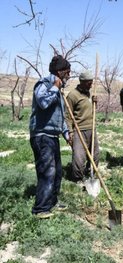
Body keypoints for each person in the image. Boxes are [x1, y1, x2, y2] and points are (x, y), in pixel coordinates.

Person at [29, 55, 71, 219]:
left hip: (53, 136)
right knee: (47, 171)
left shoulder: (58, 90)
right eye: (67, 72)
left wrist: (66, 133)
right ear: (60, 72)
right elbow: (43, 102)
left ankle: (52, 201)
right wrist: (54, 87)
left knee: (57, 171)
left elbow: (59, 116)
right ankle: (41, 209)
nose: (69, 76)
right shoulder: (44, 83)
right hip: (42, 135)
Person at [65, 71, 99, 183]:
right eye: (89, 83)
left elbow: (89, 110)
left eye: (92, 82)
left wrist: (95, 103)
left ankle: (91, 174)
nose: (91, 85)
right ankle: (78, 179)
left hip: (91, 128)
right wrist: (70, 132)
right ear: (82, 82)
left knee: (95, 155)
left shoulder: (89, 94)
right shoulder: (73, 95)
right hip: (79, 130)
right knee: (79, 158)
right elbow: (68, 115)